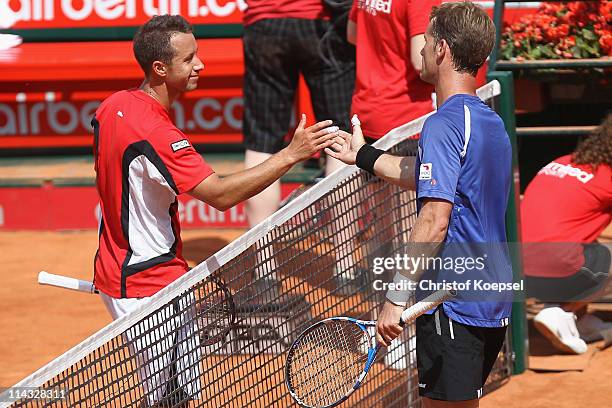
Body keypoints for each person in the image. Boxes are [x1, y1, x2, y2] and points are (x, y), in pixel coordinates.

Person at [92, 15, 339, 406]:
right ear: (160, 69)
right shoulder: (156, 132)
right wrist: (291, 155)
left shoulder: (113, 107)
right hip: (148, 286)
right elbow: (220, 195)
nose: (200, 65)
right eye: (189, 59)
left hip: (123, 271)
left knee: (172, 396)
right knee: (171, 399)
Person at [327, 3, 512, 406]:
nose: (422, 51)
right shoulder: (487, 120)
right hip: (491, 297)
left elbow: (433, 220)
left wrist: (396, 300)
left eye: (427, 42)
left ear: (442, 48)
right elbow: (423, 171)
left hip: (452, 302)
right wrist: (364, 155)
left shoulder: (442, 124)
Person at [241, 0, 356, 293]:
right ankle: (346, 268)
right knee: (338, 135)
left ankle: (264, 270)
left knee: (262, 140)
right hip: (320, 20)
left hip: (264, 22)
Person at [522, 114, 612, 354]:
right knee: (603, 254)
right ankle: (562, 311)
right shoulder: (608, 177)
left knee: (582, 240)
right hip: (552, 269)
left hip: (513, 269)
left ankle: (578, 321)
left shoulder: (563, 161)